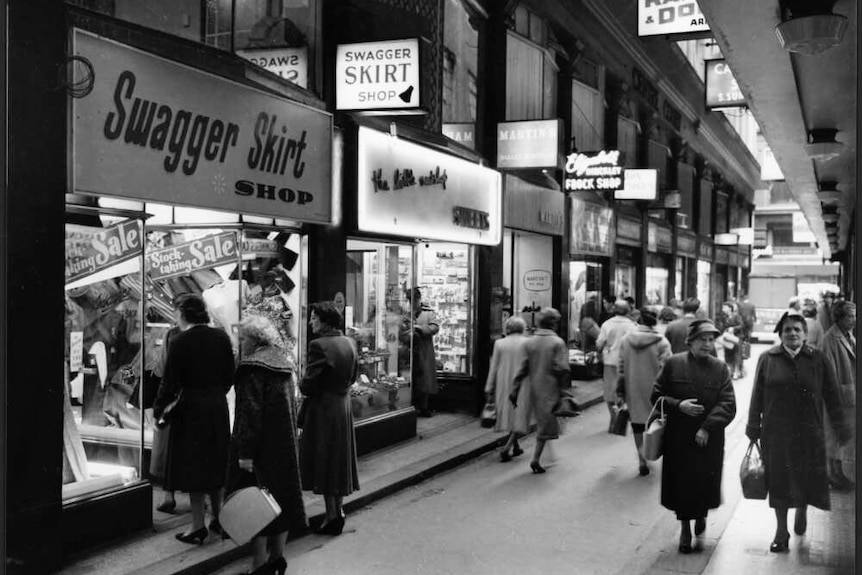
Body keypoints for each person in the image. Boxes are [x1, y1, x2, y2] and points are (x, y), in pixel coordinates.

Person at [747, 310, 850, 553]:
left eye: (797, 329)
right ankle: (781, 531)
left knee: (806, 477)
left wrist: (841, 427)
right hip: (776, 433)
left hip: (809, 432)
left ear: (805, 334)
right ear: (780, 334)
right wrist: (753, 426)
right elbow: (757, 395)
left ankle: (802, 509)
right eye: (787, 330)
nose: (792, 333)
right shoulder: (767, 358)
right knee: (779, 481)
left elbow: (832, 395)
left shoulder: (819, 359)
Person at [226, 315, 306, 575]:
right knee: (280, 500)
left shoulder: (252, 368)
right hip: (283, 444)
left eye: (242, 339)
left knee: (256, 504)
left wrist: (245, 453)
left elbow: (249, 413)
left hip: (260, 449)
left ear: (252, 339)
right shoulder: (283, 363)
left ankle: (259, 563)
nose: (241, 344)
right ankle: (278, 557)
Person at [153, 294, 235, 544]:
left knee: (193, 465)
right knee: (215, 462)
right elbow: (229, 377)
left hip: (190, 408)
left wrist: (159, 409)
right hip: (217, 405)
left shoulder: (180, 341)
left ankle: (197, 525)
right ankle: (220, 520)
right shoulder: (222, 337)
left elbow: (170, 381)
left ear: (182, 312)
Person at [651, 319, 736, 554]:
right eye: (702, 339)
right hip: (679, 438)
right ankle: (685, 529)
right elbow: (656, 395)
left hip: (708, 440)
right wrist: (679, 406)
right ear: (691, 341)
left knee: (703, 483)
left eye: (711, 340)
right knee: (682, 485)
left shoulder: (720, 368)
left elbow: (728, 403)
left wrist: (707, 427)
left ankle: (701, 516)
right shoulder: (673, 364)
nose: (707, 344)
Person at [299, 302, 360, 536]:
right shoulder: (349, 342)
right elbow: (353, 377)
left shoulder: (319, 345)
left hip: (324, 408)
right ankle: (337, 512)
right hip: (342, 405)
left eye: (314, 318)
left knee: (325, 459)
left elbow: (308, 384)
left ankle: (332, 515)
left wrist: (303, 383)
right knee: (337, 458)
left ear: (324, 321)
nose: (311, 322)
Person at [510, 308, 570, 474]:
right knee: (545, 424)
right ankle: (536, 459)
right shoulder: (557, 342)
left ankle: (545, 456)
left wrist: (515, 387)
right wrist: (564, 389)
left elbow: (522, 368)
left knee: (543, 422)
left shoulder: (530, 342)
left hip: (532, 386)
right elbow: (562, 368)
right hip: (550, 387)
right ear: (554, 323)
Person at [616, 308, 671, 476]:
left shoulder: (625, 341)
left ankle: (642, 460)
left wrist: (620, 391)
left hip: (633, 388)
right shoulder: (662, 342)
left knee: (637, 426)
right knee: (656, 423)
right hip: (655, 390)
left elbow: (621, 368)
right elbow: (668, 369)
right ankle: (652, 453)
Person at [818, 300, 856, 491]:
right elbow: (827, 371)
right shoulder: (830, 339)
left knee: (841, 436)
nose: (854, 320)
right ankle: (833, 473)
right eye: (850, 316)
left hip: (848, 394)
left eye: (855, 315)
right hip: (837, 396)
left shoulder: (848, 335)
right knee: (834, 435)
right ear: (839, 317)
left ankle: (837, 471)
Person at [484, 316, 530, 462]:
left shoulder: (499, 343)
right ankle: (507, 447)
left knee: (511, 414)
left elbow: (494, 367)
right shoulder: (527, 343)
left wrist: (489, 387)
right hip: (522, 383)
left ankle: (516, 447)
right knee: (520, 416)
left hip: (503, 383)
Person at [596, 300, 637, 431]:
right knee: (624, 390)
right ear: (628, 311)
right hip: (627, 362)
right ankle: (621, 417)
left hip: (609, 360)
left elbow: (599, 343)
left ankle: (613, 416)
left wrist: (599, 353)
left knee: (609, 391)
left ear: (614, 310)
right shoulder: (632, 326)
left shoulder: (607, 324)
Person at [409, 287, 439, 417]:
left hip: (423, 350)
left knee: (424, 379)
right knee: (411, 378)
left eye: (415, 299)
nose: (413, 302)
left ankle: (424, 406)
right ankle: (411, 405)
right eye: (411, 300)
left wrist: (420, 329)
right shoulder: (405, 312)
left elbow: (435, 327)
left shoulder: (428, 312)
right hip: (409, 351)